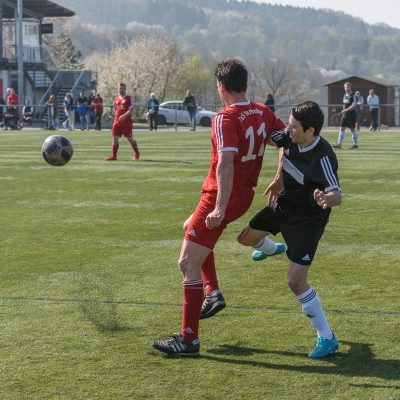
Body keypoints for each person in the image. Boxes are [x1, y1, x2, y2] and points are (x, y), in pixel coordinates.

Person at [153, 58, 286, 357]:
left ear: (221, 86)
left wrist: (219, 208)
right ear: (246, 85)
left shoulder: (224, 118)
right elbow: (287, 142)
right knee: (191, 229)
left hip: (220, 196)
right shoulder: (263, 112)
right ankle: (212, 293)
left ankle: (188, 341)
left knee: (187, 264)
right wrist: (279, 177)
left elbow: (226, 164)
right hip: (244, 195)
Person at [237, 101, 342, 359]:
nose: (288, 129)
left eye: (294, 127)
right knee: (245, 238)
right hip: (283, 204)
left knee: (295, 282)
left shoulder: (323, 155)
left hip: (308, 220)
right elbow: (277, 142)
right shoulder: (290, 135)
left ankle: (327, 338)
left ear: (311, 131)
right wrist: (278, 179)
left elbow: (336, 193)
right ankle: (273, 249)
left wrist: (327, 199)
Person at [105, 82, 140, 161]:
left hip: (126, 122)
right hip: (117, 122)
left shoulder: (129, 98)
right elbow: (116, 110)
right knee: (114, 138)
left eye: (123, 88)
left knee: (130, 139)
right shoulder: (116, 99)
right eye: (120, 88)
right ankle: (114, 156)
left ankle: (137, 153)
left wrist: (124, 116)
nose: (121, 90)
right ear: (118, 89)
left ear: (125, 89)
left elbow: (131, 110)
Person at [333, 82, 358, 149]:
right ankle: (339, 144)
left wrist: (345, 110)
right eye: (346, 87)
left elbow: (354, 105)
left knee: (352, 129)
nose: (347, 88)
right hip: (345, 115)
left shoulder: (353, 95)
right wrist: (343, 111)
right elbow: (344, 105)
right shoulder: (345, 95)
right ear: (344, 88)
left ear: (350, 87)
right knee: (342, 128)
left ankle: (355, 144)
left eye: (348, 87)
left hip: (352, 115)